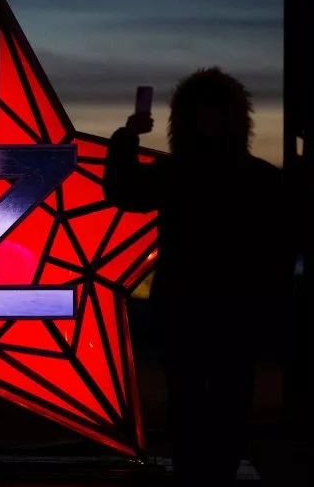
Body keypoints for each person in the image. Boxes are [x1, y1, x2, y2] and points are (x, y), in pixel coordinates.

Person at [103, 67, 293, 486]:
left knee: (211, 398)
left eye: (212, 112)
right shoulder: (257, 177)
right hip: (213, 306)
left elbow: (124, 190)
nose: (207, 120)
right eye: (200, 112)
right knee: (205, 398)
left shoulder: (187, 174)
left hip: (205, 305)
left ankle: (204, 473)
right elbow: (124, 191)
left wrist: (128, 136)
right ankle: (205, 473)